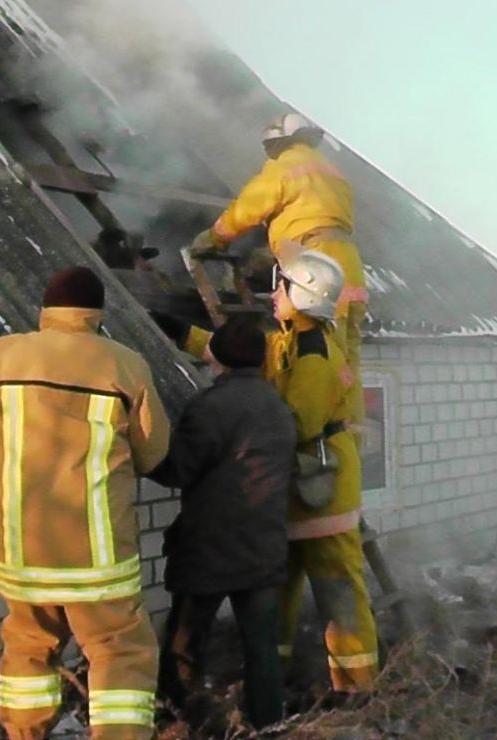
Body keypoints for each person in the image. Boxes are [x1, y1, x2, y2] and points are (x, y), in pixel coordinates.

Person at [0, 266, 170, 740]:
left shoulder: (3, 354)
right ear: (96, 313)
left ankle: (24, 733)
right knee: (120, 650)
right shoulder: (126, 365)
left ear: (46, 308)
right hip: (98, 555)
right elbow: (153, 453)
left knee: (28, 643)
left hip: (20, 549)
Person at [159, 249, 379, 695]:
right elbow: (238, 352)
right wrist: (178, 331)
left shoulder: (315, 355)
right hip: (292, 495)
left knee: (337, 592)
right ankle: (275, 680)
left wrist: (236, 427)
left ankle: (356, 689)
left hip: (322, 496)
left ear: (304, 296)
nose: (274, 294)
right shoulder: (291, 342)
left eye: (282, 287)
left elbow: (298, 425)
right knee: (279, 595)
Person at [148, 317, 297, 729]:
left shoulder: (210, 407)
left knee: (186, 643)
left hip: (208, 549)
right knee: (261, 647)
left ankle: (179, 722)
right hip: (263, 547)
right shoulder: (278, 406)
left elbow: (178, 469)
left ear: (219, 356)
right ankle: (269, 725)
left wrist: (140, 448)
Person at [190, 111, 368, 385]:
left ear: (279, 142)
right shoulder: (331, 172)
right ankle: (346, 408)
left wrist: (214, 238)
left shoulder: (284, 167)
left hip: (314, 262)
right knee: (347, 357)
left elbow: (248, 208)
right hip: (348, 262)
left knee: (313, 349)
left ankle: (308, 407)